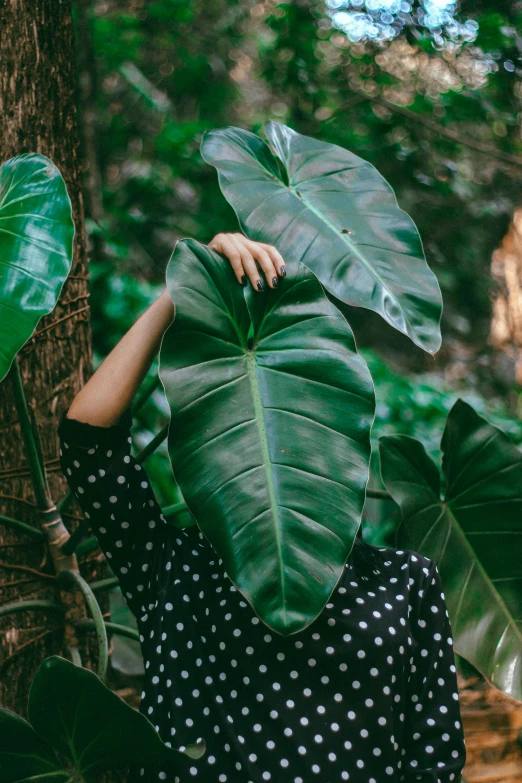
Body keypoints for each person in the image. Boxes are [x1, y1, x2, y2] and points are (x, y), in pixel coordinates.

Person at [58, 232, 466, 783]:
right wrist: (185, 287)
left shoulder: (402, 580)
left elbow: (435, 760)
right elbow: (89, 442)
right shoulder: (178, 568)